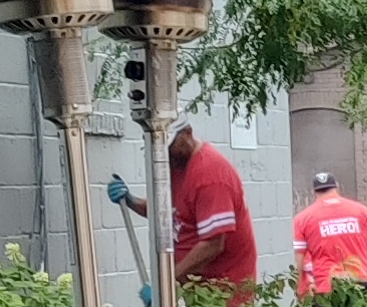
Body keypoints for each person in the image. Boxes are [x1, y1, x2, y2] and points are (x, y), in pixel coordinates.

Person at [109, 122, 259, 293]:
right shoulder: (177, 164)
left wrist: (165, 283)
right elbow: (168, 213)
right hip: (198, 288)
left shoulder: (209, 175)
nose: (166, 153)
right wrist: (130, 200)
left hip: (223, 293)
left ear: (187, 133)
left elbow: (213, 244)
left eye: (170, 145)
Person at [292, 169, 367, 297]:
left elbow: (299, 260)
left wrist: (300, 289)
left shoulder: (302, 219)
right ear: (336, 187)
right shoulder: (362, 211)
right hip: (362, 285)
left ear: (314, 191)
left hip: (326, 289)